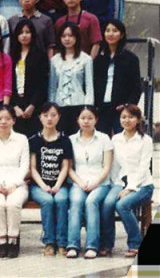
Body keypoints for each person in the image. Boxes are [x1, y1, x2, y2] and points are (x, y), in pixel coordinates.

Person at [65, 106, 111, 260]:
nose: (86, 121)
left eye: (90, 118)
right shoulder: (71, 140)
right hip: (78, 181)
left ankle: (92, 246)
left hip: (100, 183)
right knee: (76, 201)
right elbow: (68, 168)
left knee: (91, 202)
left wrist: (94, 183)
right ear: (77, 120)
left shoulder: (104, 138)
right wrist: (80, 182)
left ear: (96, 120)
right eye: (83, 118)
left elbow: (107, 167)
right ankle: (72, 245)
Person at [0, 107, 29, 258]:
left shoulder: (22, 140)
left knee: (13, 204)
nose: (3, 122)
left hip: (17, 184)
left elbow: (24, 166)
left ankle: (13, 241)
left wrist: (15, 184)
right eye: (0, 118)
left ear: (14, 121)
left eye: (8, 119)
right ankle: (2, 241)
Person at [107, 105, 153, 258]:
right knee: (107, 203)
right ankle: (106, 243)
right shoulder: (116, 139)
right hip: (121, 183)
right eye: (123, 117)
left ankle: (135, 243)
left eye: (131, 117)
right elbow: (114, 166)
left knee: (122, 205)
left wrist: (130, 188)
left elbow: (143, 167)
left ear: (138, 120)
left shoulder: (145, 140)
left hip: (143, 185)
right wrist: (115, 185)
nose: (127, 120)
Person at [29, 105, 72, 256]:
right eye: (46, 115)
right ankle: (49, 242)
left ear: (58, 117)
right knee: (47, 201)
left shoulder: (65, 140)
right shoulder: (34, 140)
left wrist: (57, 185)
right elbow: (32, 168)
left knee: (61, 200)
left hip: (60, 184)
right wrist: (44, 186)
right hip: (38, 185)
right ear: (40, 117)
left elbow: (65, 167)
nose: (49, 118)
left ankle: (62, 242)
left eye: (53, 115)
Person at [92, 21, 140, 136]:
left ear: (121, 34)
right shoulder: (99, 58)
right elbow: (94, 83)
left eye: (115, 31)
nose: (110, 34)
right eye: (107, 31)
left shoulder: (130, 58)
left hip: (121, 108)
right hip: (101, 108)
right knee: (102, 140)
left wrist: (128, 105)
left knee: (122, 139)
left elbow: (136, 86)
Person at [49, 24, 94, 134]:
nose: (67, 39)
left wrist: (88, 107)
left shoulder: (86, 59)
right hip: (60, 106)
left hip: (79, 105)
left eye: (70, 35)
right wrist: (51, 107)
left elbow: (89, 85)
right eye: (64, 36)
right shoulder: (54, 60)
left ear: (76, 37)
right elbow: (52, 87)